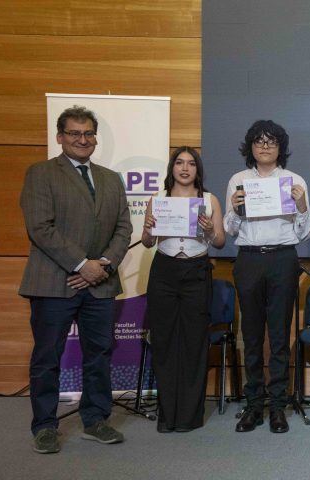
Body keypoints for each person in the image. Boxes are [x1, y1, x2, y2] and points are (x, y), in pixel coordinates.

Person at [20, 105, 132, 453]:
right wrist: (82, 264)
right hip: (55, 283)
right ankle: (44, 426)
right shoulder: (41, 173)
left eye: (87, 134)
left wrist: (103, 265)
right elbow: (40, 227)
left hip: (100, 285)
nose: (82, 139)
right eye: (74, 133)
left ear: (95, 138)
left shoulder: (111, 178)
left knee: (98, 355)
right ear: (60, 137)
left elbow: (123, 228)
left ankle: (96, 419)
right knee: (47, 357)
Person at [225, 120, 310, 434]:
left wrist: (301, 206)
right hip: (248, 259)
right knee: (250, 335)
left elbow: (303, 234)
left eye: (271, 142)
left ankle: (277, 406)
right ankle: (253, 405)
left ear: (280, 148)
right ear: (251, 146)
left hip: (282, 258)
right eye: (259, 141)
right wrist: (234, 211)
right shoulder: (238, 180)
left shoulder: (293, 180)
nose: (265, 146)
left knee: (278, 336)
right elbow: (230, 230)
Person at [140, 147, 225, 433]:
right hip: (164, 271)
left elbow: (221, 242)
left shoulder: (209, 199)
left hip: (197, 272)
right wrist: (149, 230)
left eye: (191, 164)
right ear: (172, 168)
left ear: (198, 170)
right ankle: (167, 414)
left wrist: (210, 230)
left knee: (194, 343)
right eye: (179, 163)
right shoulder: (158, 198)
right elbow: (147, 242)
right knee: (163, 341)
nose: (185, 168)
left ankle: (189, 416)